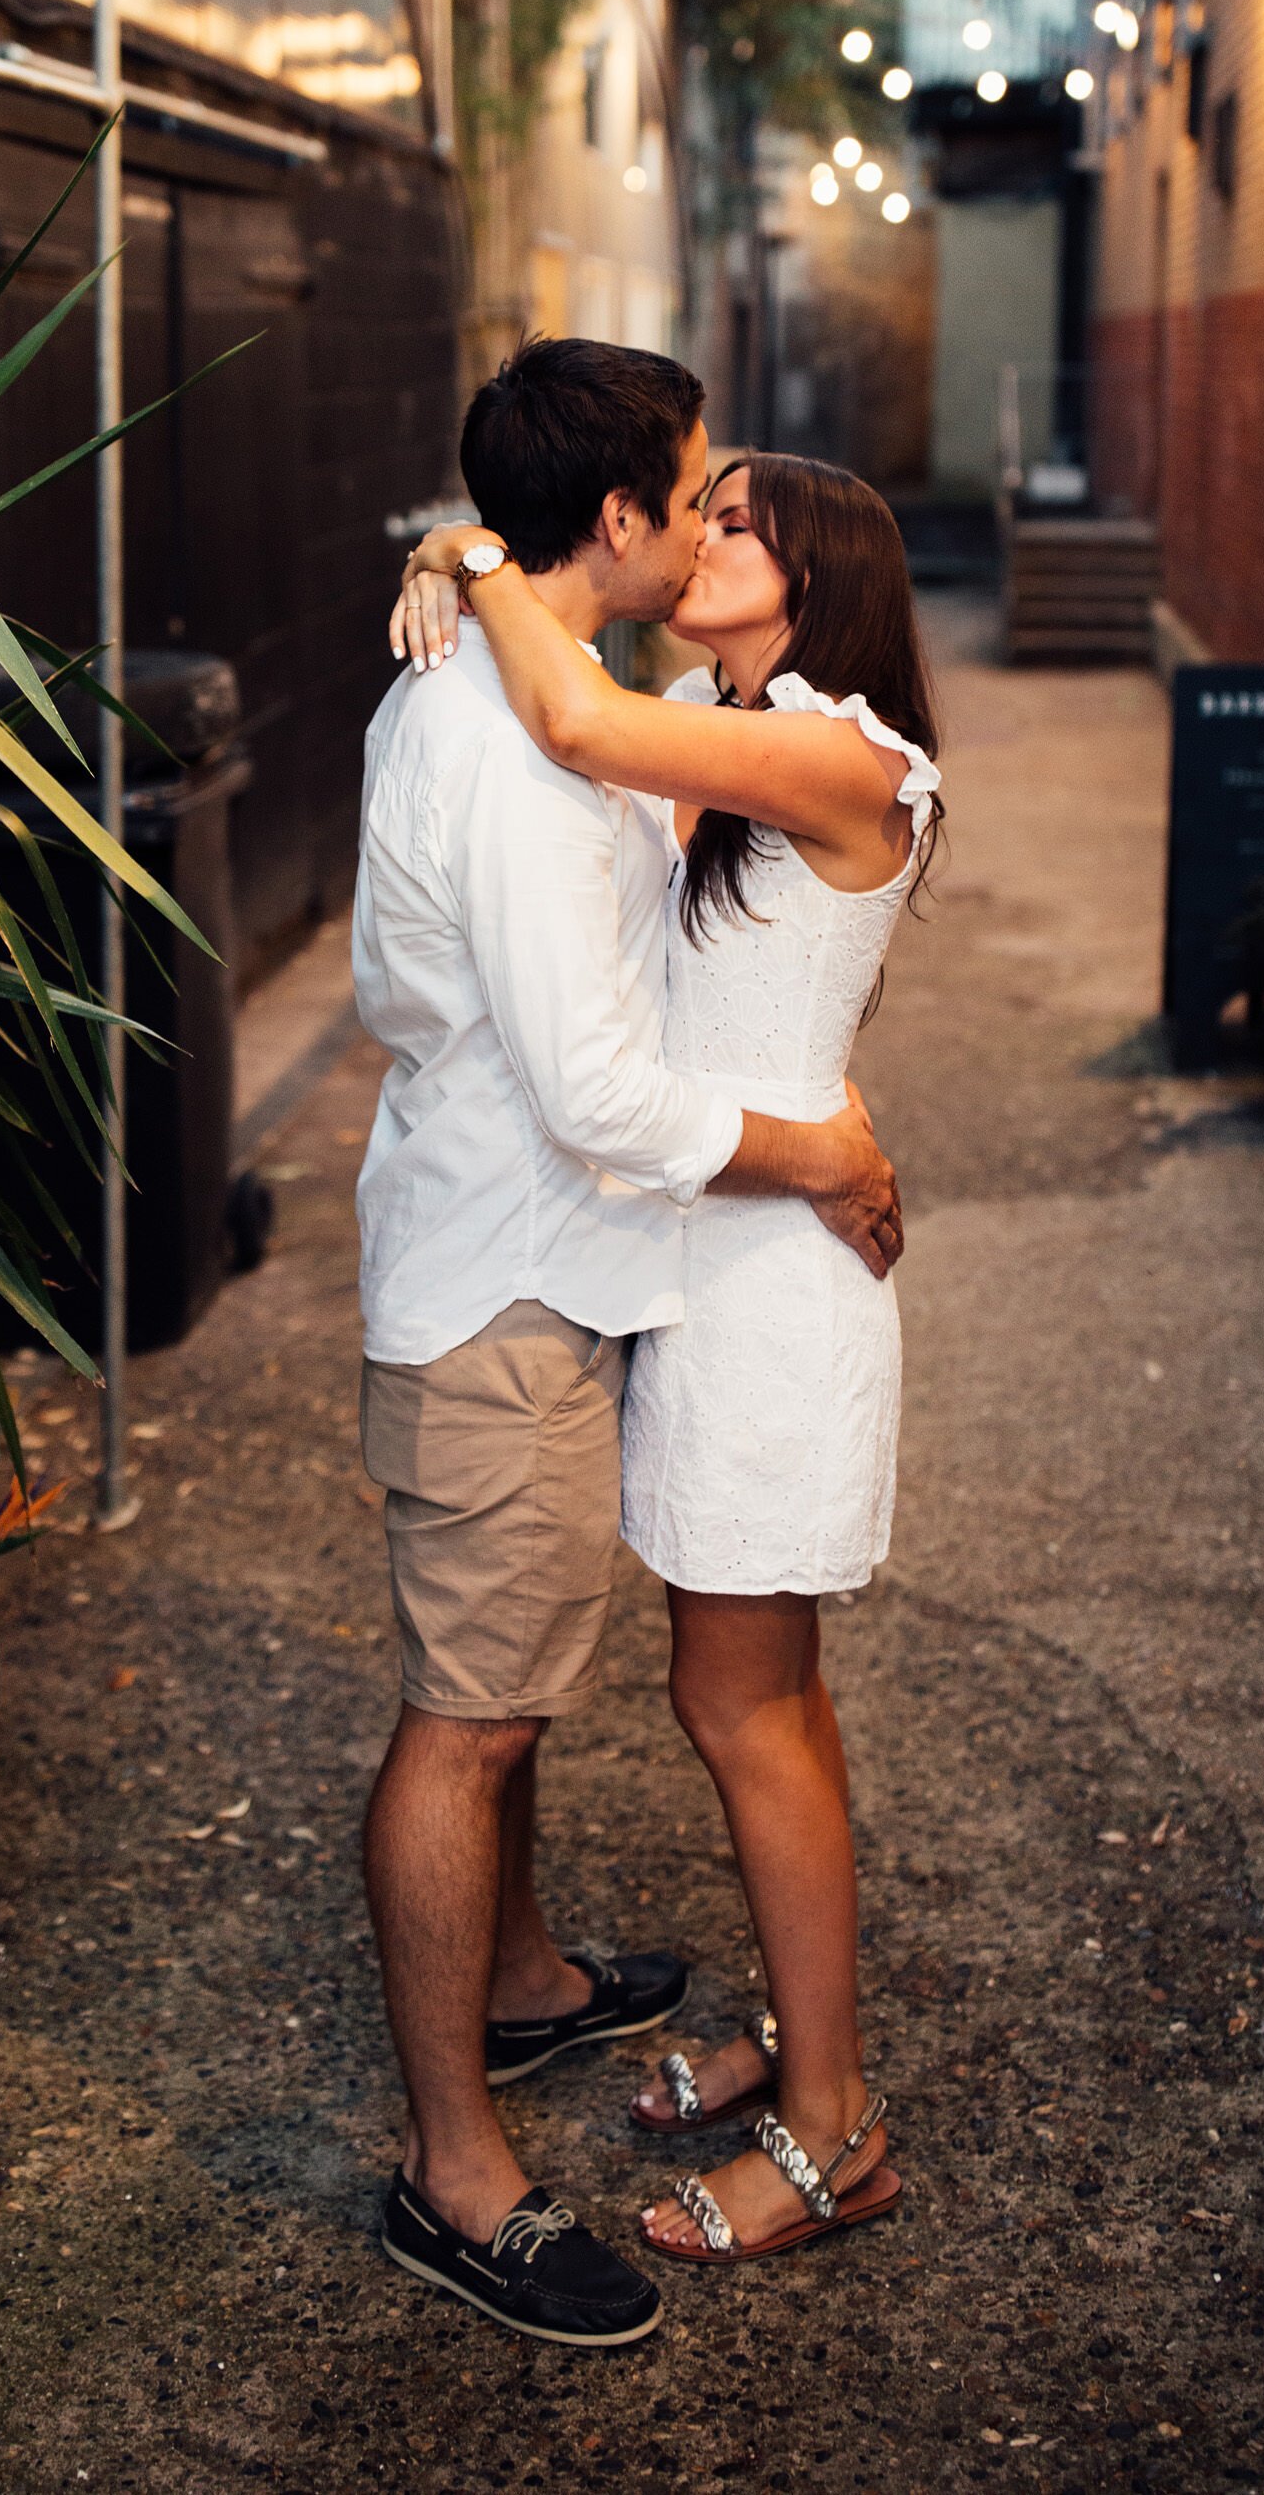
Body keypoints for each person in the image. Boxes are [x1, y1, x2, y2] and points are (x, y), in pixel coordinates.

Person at [352, 338, 905, 2348]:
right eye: (692, 495)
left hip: (707, 1272)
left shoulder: (795, 744)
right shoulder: (601, 715)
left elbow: (593, 731)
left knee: (724, 1706)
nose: (702, 522)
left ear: (807, 579)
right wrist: (460, 549)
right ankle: (509, 2134)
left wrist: (474, 556)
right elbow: (601, 1062)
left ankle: (821, 2115)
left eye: (738, 515)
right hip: (603, 1254)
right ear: (621, 524)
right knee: (570, 1699)